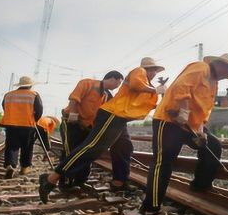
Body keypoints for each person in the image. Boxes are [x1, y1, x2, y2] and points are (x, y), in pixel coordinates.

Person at [39, 57, 166, 203]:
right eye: (152, 70)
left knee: (124, 146)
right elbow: (137, 84)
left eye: (155, 71)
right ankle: (50, 179)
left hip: (120, 118)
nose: (154, 73)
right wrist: (155, 89)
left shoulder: (136, 90)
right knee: (92, 148)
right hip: (113, 115)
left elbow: (142, 105)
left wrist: (162, 95)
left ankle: (119, 182)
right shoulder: (139, 72)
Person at [140, 53, 228, 215]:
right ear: (219, 64)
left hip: (191, 126)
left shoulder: (214, 83)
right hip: (170, 120)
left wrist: (201, 132)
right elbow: (181, 87)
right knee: (163, 162)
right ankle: (151, 206)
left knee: (213, 145)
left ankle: (200, 185)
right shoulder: (201, 68)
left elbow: (205, 110)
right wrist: (183, 110)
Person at [59, 71, 124, 192]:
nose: (117, 86)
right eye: (118, 83)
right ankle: (65, 183)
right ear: (112, 79)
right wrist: (73, 115)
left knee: (85, 154)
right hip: (72, 123)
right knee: (70, 152)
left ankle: (80, 181)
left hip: (87, 127)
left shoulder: (106, 96)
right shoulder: (87, 83)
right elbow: (74, 99)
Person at [0, 76, 43, 178]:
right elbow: (39, 110)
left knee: (11, 146)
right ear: (30, 85)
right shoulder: (34, 95)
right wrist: (34, 120)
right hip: (27, 125)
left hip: (11, 124)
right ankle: (24, 168)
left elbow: (4, 107)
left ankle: (10, 165)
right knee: (27, 147)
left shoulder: (8, 95)